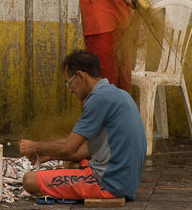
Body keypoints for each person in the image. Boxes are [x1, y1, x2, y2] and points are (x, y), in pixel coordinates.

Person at [19, 50, 146, 201]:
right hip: (126, 181)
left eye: (69, 82)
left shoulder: (98, 99)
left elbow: (68, 146)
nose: (70, 89)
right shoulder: (120, 94)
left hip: (110, 184)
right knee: (70, 162)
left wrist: (34, 146)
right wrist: (51, 155)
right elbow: (88, 149)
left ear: (80, 75)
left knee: (29, 181)